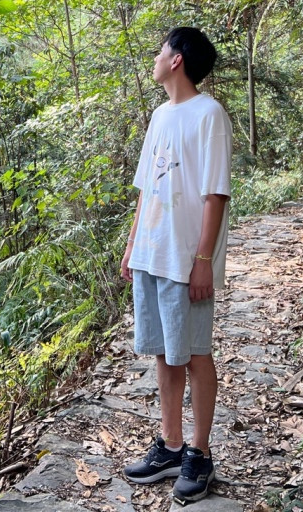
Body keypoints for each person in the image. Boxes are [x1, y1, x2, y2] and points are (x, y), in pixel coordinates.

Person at [120, 26, 232, 504]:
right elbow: (147, 186)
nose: (156, 57)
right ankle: (169, 446)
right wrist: (132, 245)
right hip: (153, 252)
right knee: (164, 353)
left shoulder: (209, 114)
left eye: (161, 50)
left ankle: (199, 454)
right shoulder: (159, 115)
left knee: (196, 352)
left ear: (177, 59)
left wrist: (203, 260)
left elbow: (216, 193)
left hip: (186, 258)